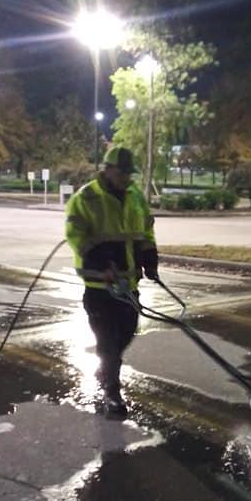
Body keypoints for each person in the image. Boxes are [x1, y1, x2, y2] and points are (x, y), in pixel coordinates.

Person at [65, 145, 159, 417]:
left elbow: (145, 232)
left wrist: (150, 259)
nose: (127, 178)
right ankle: (112, 394)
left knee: (128, 332)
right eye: (122, 172)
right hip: (99, 288)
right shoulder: (87, 198)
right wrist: (99, 263)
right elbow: (76, 237)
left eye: (130, 173)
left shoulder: (135, 196)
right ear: (107, 169)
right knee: (107, 340)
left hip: (128, 286)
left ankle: (106, 367)